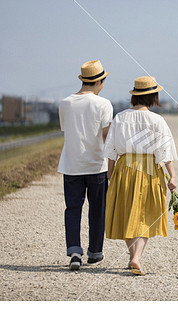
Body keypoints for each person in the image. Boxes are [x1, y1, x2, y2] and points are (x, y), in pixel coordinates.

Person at [103, 76, 177, 275]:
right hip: (149, 168)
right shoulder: (157, 120)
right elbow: (165, 152)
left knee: (127, 212)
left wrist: (110, 174)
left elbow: (111, 150)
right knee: (146, 214)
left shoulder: (120, 117)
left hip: (124, 167)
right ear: (153, 97)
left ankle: (131, 256)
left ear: (134, 96)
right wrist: (172, 177)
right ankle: (136, 257)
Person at [58, 60, 113, 270]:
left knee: (73, 208)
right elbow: (106, 135)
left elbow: (67, 129)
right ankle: (95, 252)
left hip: (71, 164)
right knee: (97, 209)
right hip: (97, 165)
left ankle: (74, 251)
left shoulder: (65, 102)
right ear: (99, 81)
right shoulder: (104, 104)